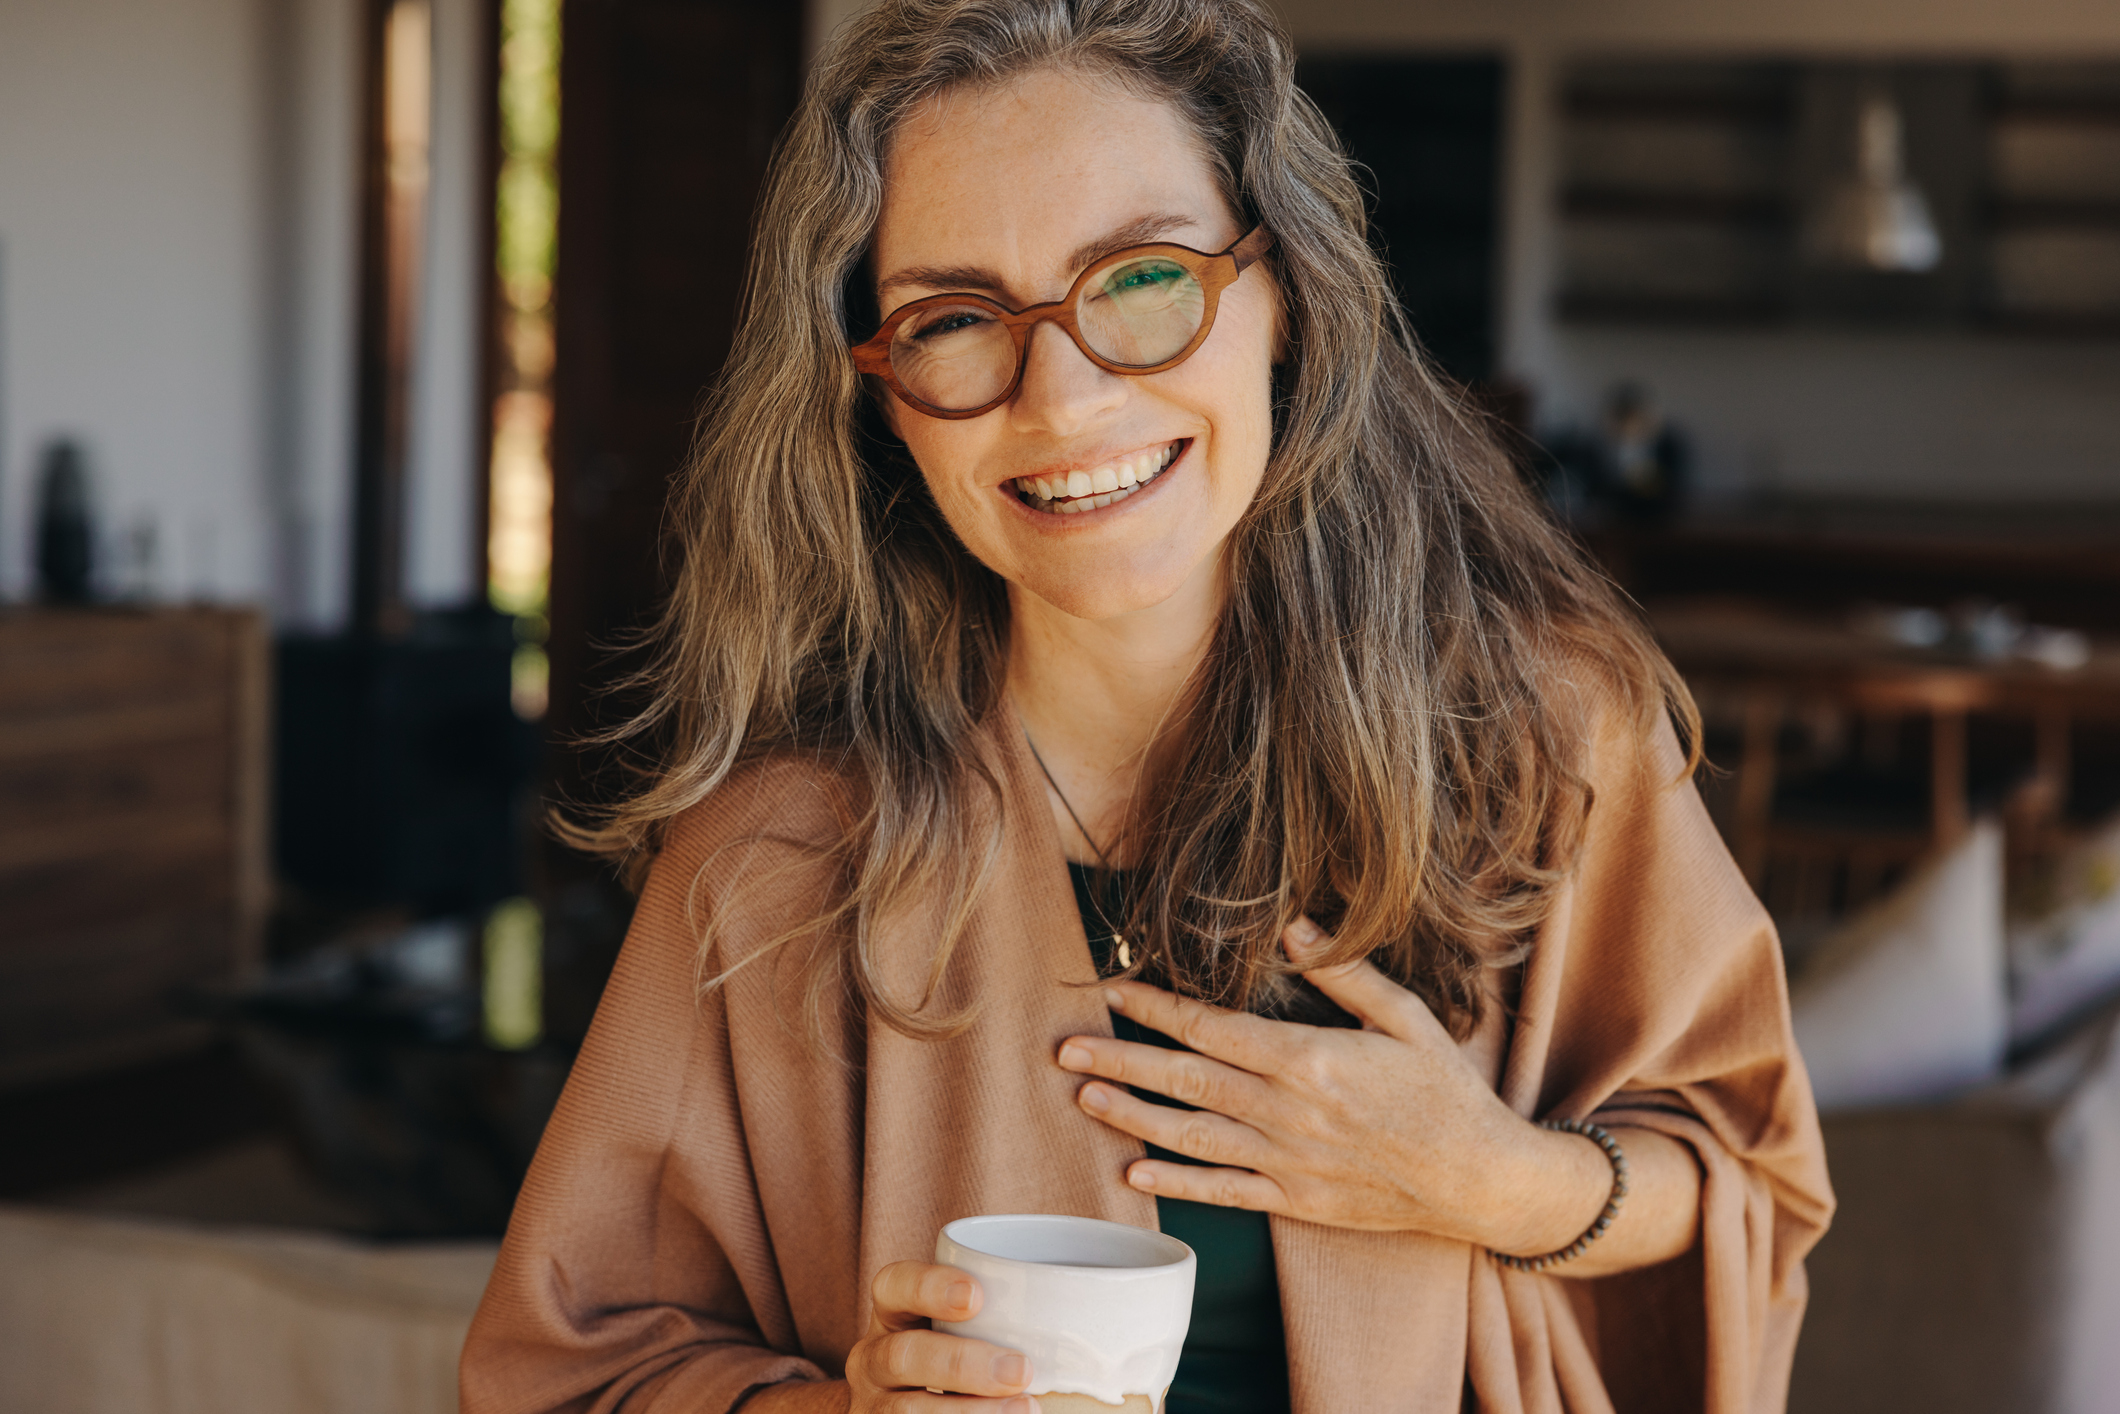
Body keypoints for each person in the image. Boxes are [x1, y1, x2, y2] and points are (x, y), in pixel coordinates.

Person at [460, 1, 1832, 1410]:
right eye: (953, 320)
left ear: (1285, 289)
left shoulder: (1546, 738)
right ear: (878, 393)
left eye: (1140, 279)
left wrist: (1489, 1177)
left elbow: (1742, 1174)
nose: (1061, 397)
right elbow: (566, 1367)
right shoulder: (772, 858)